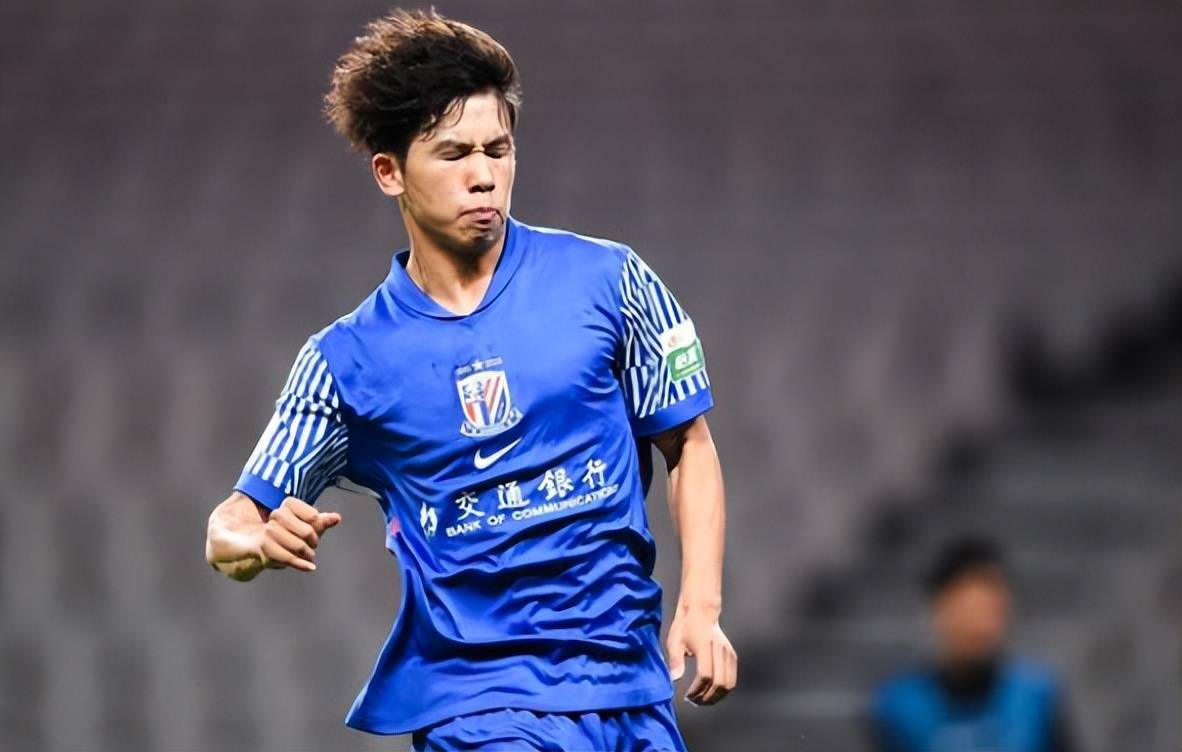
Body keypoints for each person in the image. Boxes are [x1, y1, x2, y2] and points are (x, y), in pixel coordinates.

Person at [203, 9, 736, 750]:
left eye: (498, 149)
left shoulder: (611, 282)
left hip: (627, 687)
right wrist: (253, 543)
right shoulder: (346, 361)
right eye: (453, 153)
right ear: (390, 171)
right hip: (478, 706)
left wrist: (701, 607)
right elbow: (229, 524)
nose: (483, 175)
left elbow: (689, 445)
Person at [871, 534, 1077, 752]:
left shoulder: (1035, 695)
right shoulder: (903, 704)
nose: (981, 625)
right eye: (969, 609)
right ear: (938, 608)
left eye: (992, 610)